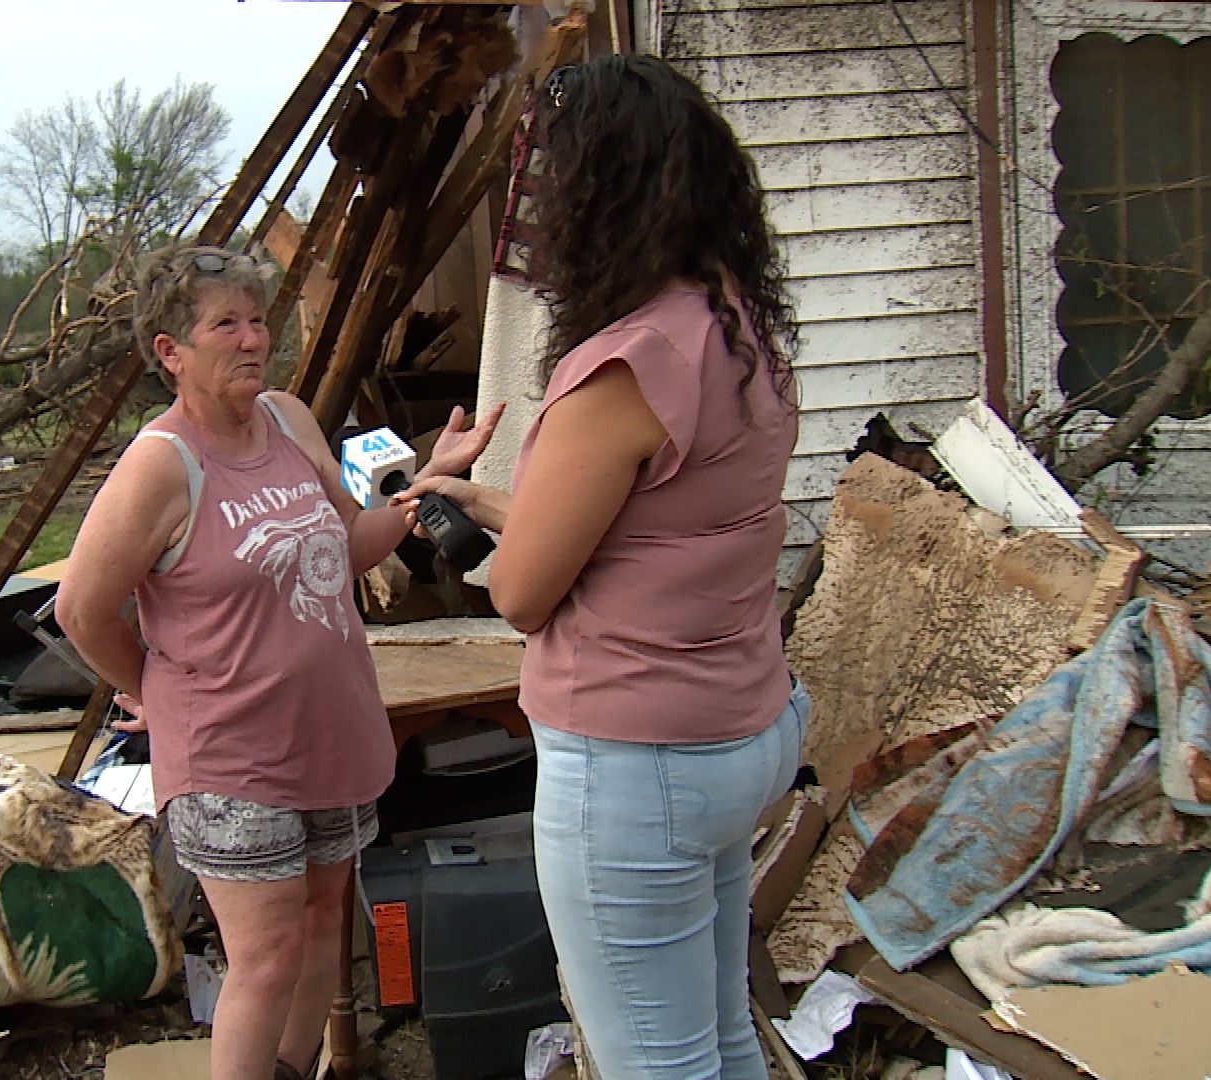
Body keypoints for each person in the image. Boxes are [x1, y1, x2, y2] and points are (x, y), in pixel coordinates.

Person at [393, 55, 809, 1079]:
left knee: (654, 1063)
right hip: (737, 731)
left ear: (594, 195)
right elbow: (652, 524)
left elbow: (528, 592)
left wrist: (498, 530)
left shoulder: (621, 366)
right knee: (715, 1036)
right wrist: (485, 500)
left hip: (639, 764)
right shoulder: (739, 334)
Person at [54, 244, 501, 1080]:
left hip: (332, 732)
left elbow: (353, 547)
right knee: (262, 958)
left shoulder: (291, 421)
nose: (253, 338)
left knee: (320, 929)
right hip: (230, 755)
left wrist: (431, 478)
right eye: (225, 324)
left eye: (257, 319)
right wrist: (154, 685)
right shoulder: (163, 463)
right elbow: (82, 609)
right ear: (171, 351)